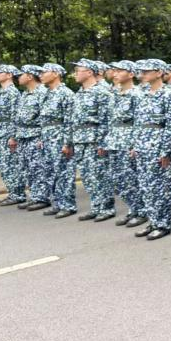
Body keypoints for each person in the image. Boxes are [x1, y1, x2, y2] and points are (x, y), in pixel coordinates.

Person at [130, 59, 171, 240]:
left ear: (159, 72)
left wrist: (166, 151)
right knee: (146, 187)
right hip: (143, 146)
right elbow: (138, 123)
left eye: (146, 71)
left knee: (161, 188)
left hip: (158, 147)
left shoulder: (169, 95)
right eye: (141, 72)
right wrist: (135, 145)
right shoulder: (142, 95)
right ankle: (153, 221)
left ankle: (163, 224)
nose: (142, 74)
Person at [66, 59, 112, 222]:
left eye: (78, 70)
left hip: (95, 140)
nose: (75, 74)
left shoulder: (102, 92)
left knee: (99, 174)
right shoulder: (79, 93)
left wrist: (103, 142)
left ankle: (106, 208)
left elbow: (108, 120)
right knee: (87, 176)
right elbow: (72, 120)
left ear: (90, 72)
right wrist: (69, 142)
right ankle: (96, 206)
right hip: (80, 140)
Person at [104, 61, 143, 226]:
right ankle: (133, 209)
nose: (116, 74)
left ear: (131, 74)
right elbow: (110, 120)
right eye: (115, 71)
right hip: (114, 141)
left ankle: (142, 211)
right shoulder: (115, 94)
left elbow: (140, 122)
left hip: (128, 141)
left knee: (132, 179)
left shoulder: (137, 94)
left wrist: (135, 144)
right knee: (118, 179)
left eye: (120, 71)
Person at [38, 63, 77, 218]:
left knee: (64, 172)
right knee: (50, 172)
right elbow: (43, 119)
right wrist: (42, 137)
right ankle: (57, 203)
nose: (41, 75)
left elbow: (70, 121)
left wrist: (68, 143)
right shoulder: (46, 93)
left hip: (59, 137)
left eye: (44, 72)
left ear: (55, 74)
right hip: (47, 136)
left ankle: (68, 205)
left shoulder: (66, 93)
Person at [14, 65, 50, 211]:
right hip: (23, 135)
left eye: (21, 74)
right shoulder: (25, 93)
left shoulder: (43, 92)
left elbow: (45, 117)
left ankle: (42, 198)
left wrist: (42, 137)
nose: (18, 77)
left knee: (38, 168)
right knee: (27, 168)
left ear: (30, 76)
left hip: (35, 135)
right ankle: (35, 196)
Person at [0, 65, 27, 207]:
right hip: (2, 130)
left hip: (9, 131)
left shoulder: (12, 93)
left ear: (9, 75)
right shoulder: (2, 92)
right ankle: (13, 192)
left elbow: (16, 117)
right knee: (4, 164)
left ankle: (18, 194)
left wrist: (14, 136)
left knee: (11, 164)